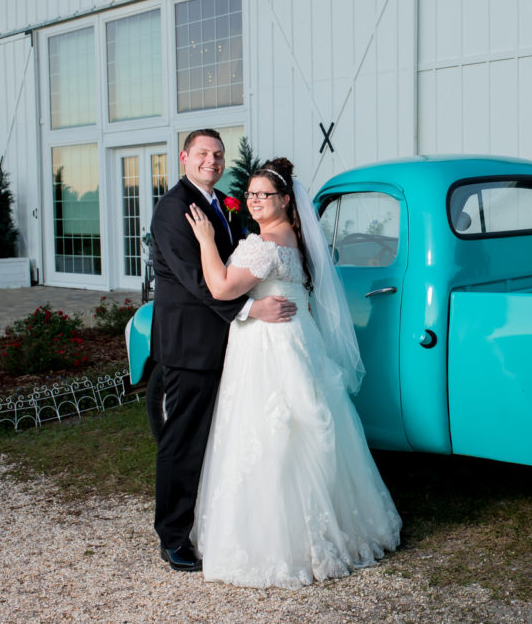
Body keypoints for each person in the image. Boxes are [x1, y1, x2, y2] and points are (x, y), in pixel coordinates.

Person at [185, 157, 401, 588]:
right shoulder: (295, 240)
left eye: (263, 194)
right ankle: (338, 526)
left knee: (269, 432)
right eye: (250, 194)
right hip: (299, 342)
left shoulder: (264, 244)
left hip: (269, 347)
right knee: (304, 428)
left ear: (285, 200)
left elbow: (221, 288)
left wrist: (207, 241)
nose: (254, 200)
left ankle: (282, 542)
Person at [150, 130, 297, 572]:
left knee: (219, 439)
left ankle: (211, 524)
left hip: (229, 342)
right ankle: (173, 537)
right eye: (202, 154)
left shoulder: (221, 204)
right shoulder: (173, 209)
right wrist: (251, 308)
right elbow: (197, 281)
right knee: (183, 441)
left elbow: (236, 264)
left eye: (217, 154)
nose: (211, 161)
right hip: (190, 344)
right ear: (184, 158)